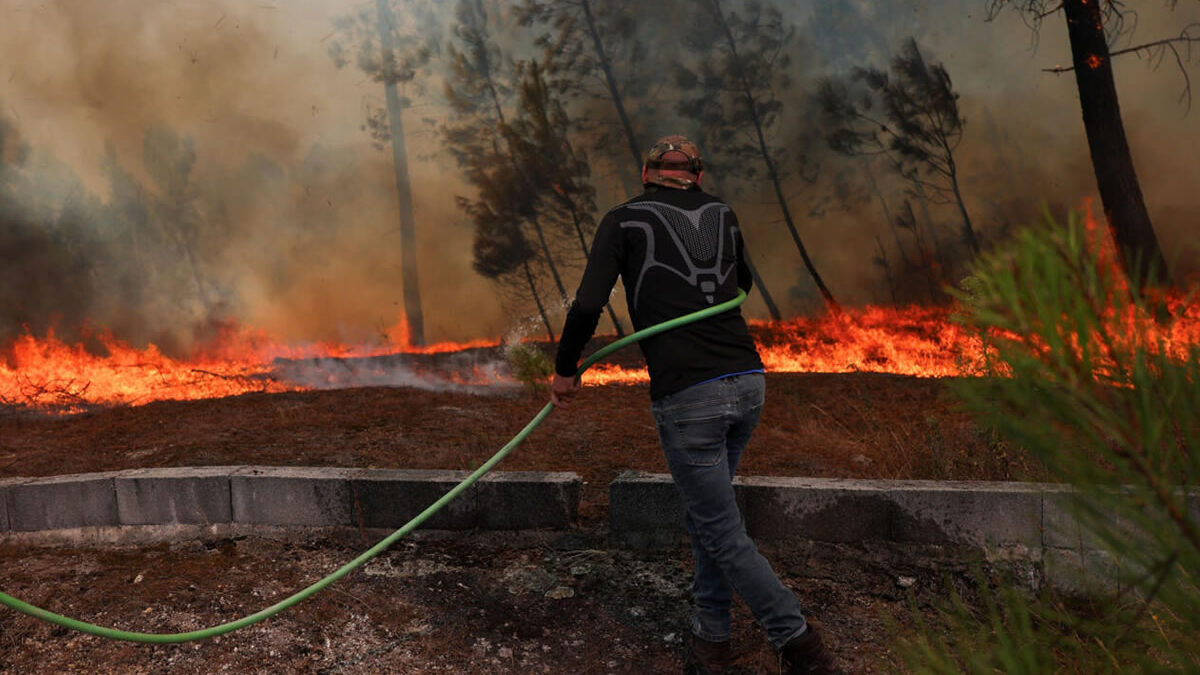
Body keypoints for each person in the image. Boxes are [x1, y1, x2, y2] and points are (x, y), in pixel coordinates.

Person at [550, 135, 840, 674]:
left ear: (646, 174)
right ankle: (711, 641)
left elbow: (589, 302)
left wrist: (566, 369)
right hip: (748, 380)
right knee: (711, 518)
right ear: (698, 176)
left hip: (691, 395)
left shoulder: (623, 220)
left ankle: (800, 644)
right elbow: (743, 282)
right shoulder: (723, 213)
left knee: (721, 531)